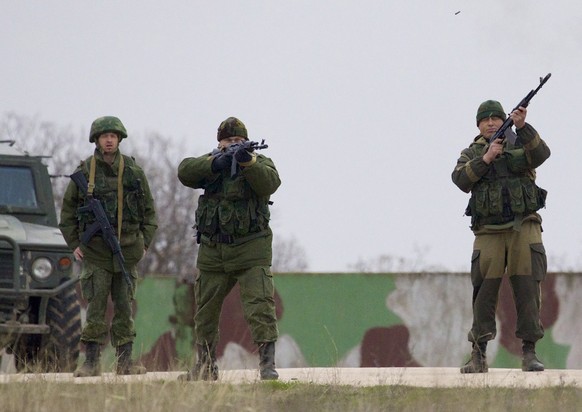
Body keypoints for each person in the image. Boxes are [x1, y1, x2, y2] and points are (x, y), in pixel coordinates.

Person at [177, 116, 281, 381]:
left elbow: (270, 183)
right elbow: (185, 171)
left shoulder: (259, 163)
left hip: (251, 251)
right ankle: (205, 366)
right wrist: (216, 163)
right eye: (228, 141)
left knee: (260, 307)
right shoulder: (211, 162)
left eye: (238, 140)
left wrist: (247, 162)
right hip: (213, 253)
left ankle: (267, 365)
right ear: (219, 143)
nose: (234, 144)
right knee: (205, 311)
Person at [452, 100, 550, 373]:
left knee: (528, 289)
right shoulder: (472, 152)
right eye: (486, 119)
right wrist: (486, 158)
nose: (492, 123)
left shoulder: (520, 143)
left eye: (496, 118)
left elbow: (541, 154)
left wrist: (523, 126)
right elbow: (460, 179)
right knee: (484, 292)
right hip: (488, 232)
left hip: (524, 227)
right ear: (478, 125)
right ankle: (479, 355)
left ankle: (529, 352)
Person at [59, 116, 157, 377]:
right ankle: (91, 362)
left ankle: (125, 362)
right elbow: (67, 213)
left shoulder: (133, 171)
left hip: (126, 251)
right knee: (96, 308)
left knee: (125, 307)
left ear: (120, 138)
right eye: (104, 136)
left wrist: (143, 243)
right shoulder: (84, 171)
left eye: (113, 136)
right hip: (96, 253)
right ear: (97, 140)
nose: (109, 140)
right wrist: (74, 243)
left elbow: (149, 213)